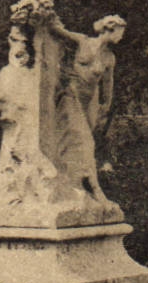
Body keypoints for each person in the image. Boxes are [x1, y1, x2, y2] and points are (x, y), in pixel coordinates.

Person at [53, 14, 125, 202]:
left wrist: (106, 104)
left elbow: (108, 83)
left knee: (84, 138)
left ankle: (74, 180)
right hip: (73, 94)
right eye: (119, 32)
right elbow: (60, 31)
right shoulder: (83, 41)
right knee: (83, 139)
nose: (121, 36)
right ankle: (92, 186)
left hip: (90, 99)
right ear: (109, 29)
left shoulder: (109, 57)